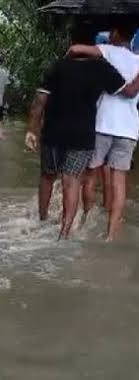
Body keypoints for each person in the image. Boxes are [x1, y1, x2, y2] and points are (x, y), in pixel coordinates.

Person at [25, 25, 139, 240]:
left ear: (71, 41)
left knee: (48, 176)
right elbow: (130, 92)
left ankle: (42, 219)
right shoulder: (102, 69)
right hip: (84, 135)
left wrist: (31, 131)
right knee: (73, 180)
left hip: (53, 133)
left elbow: (39, 102)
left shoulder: (57, 66)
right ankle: (65, 232)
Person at [70, 22, 139, 240]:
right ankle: (110, 235)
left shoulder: (108, 51)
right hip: (128, 129)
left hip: (103, 125)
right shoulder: (138, 61)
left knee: (90, 176)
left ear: (116, 33)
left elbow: (78, 49)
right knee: (119, 182)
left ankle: (87, 220)